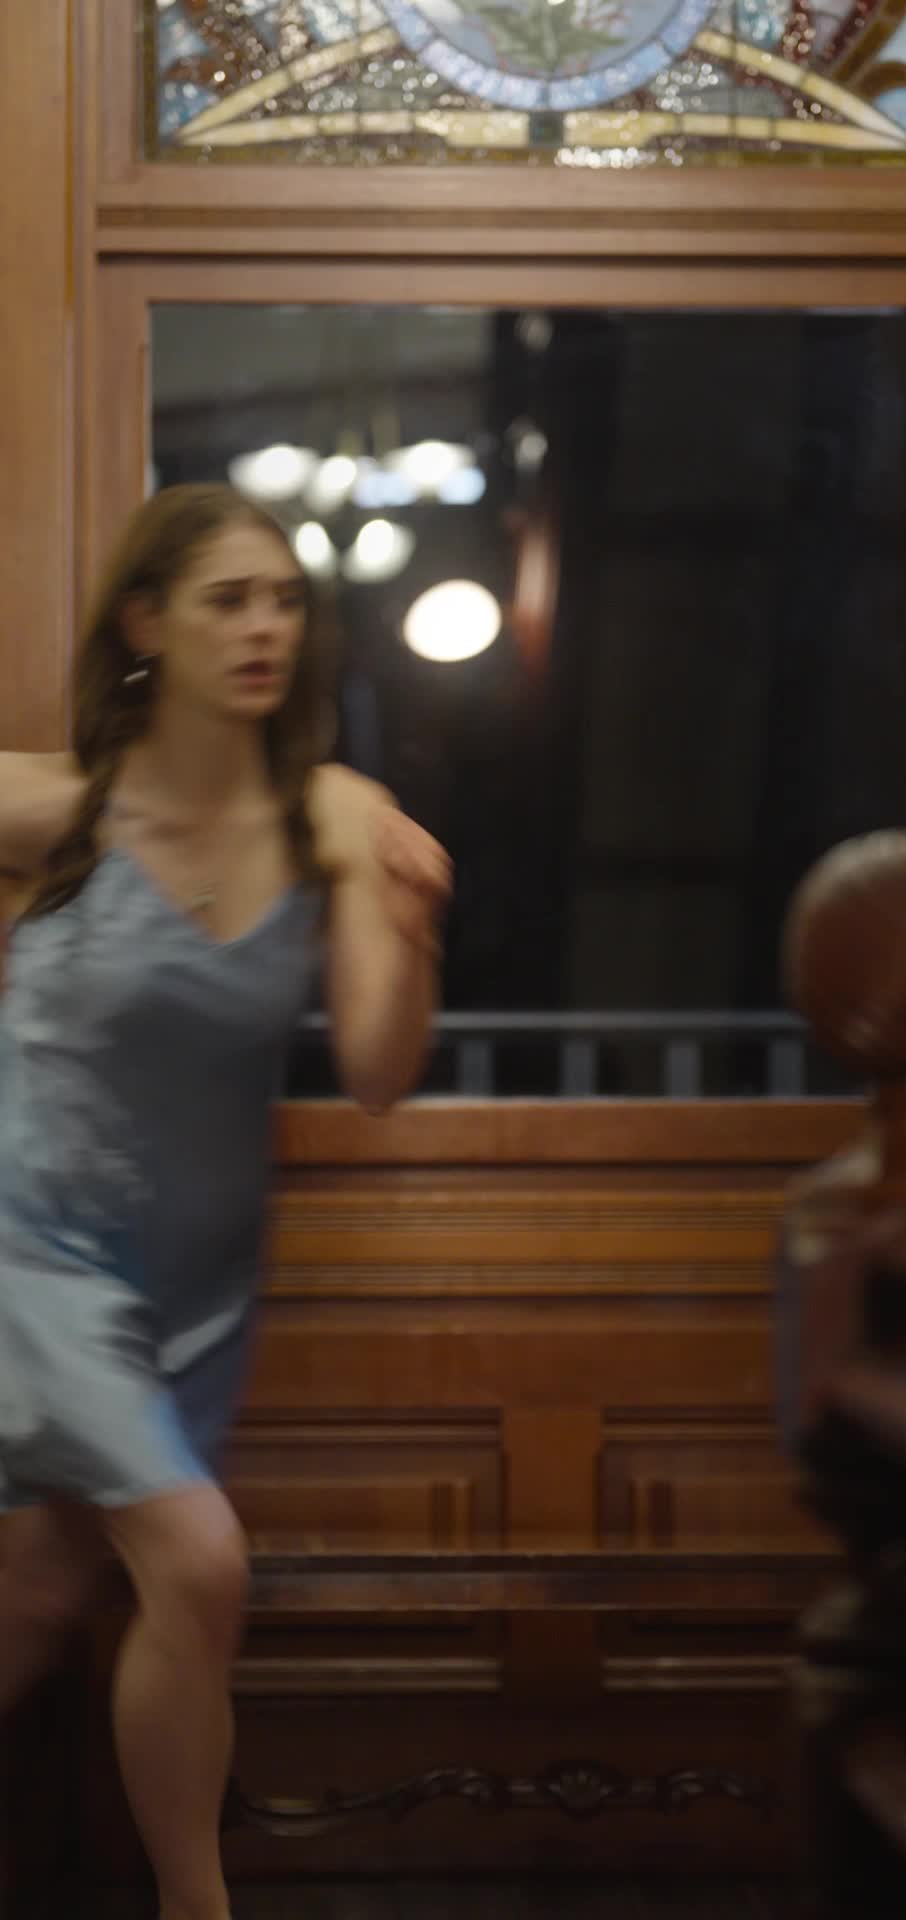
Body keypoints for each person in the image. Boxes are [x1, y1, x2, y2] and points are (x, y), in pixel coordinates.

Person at [0, 483, 452, 1920]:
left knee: (32, 1603)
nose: (265, 628)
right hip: (33, 1253)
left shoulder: (333, 818)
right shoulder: (50, 809)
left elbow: (376, 1072)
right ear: (146, 624)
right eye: (227, 600)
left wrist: (416, 929)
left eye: (284, 602)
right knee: (199, 1563)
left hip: (197, 1290)